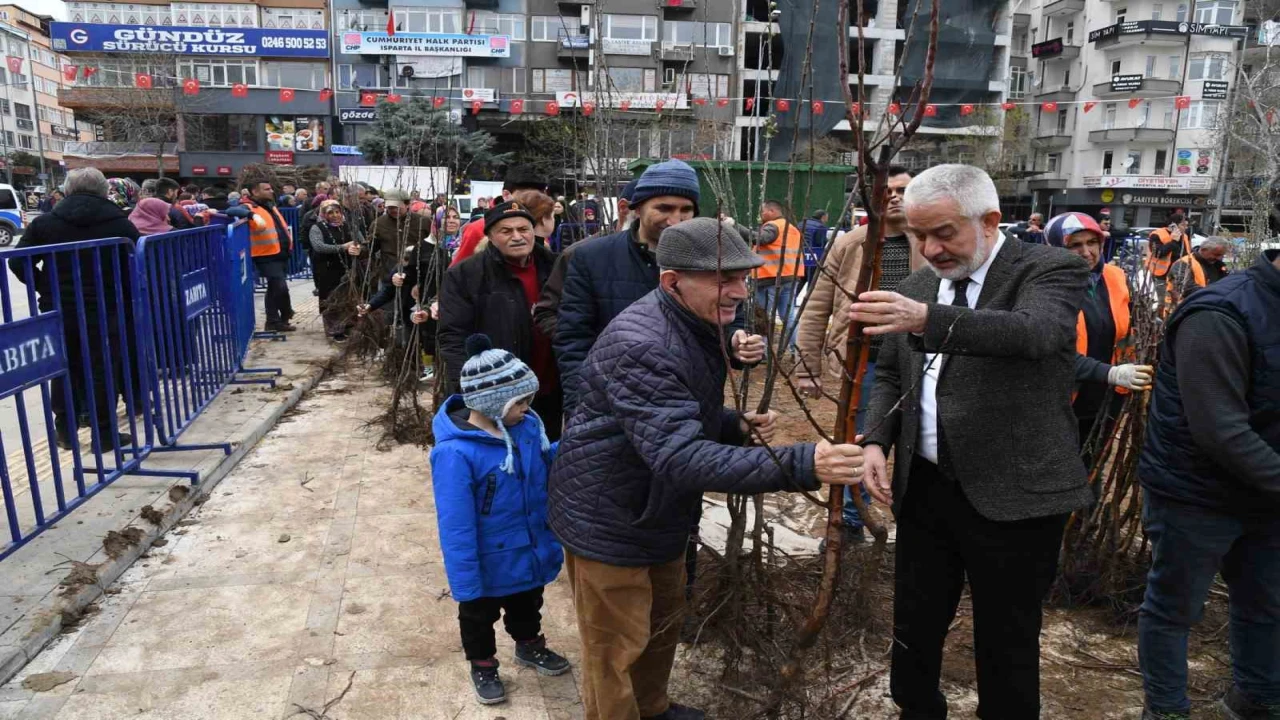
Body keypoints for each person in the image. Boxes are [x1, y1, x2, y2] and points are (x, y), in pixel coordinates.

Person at [548, 216, 867, 720]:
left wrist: (732, 425)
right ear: (673, 281)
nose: (741, 291)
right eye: (725, 279)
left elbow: (666, 413)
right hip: (611, 517)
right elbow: (680, 456)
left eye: (743, 277)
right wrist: (805, 462)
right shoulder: (644, 342)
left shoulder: (692, 325)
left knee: (659, 625)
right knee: (615, 651)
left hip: (654, 510)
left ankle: (652, 708)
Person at [855, 164, 1093, 719]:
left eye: (944, 233)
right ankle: (917, 709)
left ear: (989, 220)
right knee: (914, 625)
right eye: (919, 235)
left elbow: (1035, 333)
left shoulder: (1048, 269)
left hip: (1015, 493)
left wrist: (927, 319)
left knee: (1006, 637)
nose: (930, 248)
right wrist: (875, 441)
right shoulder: (916, 285)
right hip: (928, 487)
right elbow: (889, 372)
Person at [1135, 247, 1280, 720]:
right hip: (1195, 495)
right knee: (1174, 609)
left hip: (1266, 492)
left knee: (1266, 601)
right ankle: (1167, 710)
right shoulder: (1221, 313)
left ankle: (1257, 699)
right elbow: (1221, 430)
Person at [430, 333, 572, 706]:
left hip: (527, 547)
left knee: (528, 602)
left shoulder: (525, 428)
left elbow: (543, 464)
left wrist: (570, 445)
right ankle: (483, 663)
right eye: (520, 401)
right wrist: (464, 579)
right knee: (478, 616)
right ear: (493, 402)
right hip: (486, 560)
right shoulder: (455, 454)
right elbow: (455, 524)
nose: (528, 407)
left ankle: (528, 644)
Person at [555, 159, 759, 413]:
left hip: (692, 402)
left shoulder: (711, 259)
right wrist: (580, 404)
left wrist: (736, 342)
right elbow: (573, 340)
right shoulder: (592, 258)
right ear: (637, 209)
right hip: (611, 404)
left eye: (686, 209)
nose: (676, 220)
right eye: (664, 208)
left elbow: (730, 319)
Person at [795, 166, 922, 546]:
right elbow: (816, 306)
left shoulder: (932, 242)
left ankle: (915, 520)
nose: (895, 197)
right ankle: (851, 519)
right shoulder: (851, 243)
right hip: (863, 366)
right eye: (888, 191)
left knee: (919, 442)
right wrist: (807, 366)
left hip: (919, 362)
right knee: (859, 442)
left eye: (903, 190)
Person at [10, 167, 141, 451]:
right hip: (105, 306)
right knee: (102, 367)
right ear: (104, 191)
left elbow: (18, 262)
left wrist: (48, 285)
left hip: (58, 307)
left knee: (63, 367)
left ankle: (66, 432)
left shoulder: (45, 223)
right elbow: (136, 263)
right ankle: (104, 435)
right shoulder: (120, 223)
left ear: (66, 190)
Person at [438, 200, 563, 438]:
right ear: (491, 237)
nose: (517, 236)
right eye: (506, 231)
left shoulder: (556, 266)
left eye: (523, 229)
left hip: (549, 388)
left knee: (543, 458)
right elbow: (452, 337)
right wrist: (471, 392)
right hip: (496, 395)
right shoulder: (465, 275)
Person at [1044, 212, 1152, 461]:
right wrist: (1109, 373)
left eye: (1092, 243)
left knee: (1092, 466)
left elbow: (1131, 327)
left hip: (1108, 395)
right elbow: (1053, 352)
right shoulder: (1045, 286)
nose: (1086, 252)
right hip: (1062, 399)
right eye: (1074, 245)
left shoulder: (1114, 276)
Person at [227, 180, 295, 332]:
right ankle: (279, 317)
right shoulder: (248, 206)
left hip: (280, 252)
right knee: (279, 285)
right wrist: (251, 215)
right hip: (266, 255)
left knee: (276, 287)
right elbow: (231, 211)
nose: (271, 191)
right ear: (255, 192)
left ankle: (278, 319)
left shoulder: (270, 206)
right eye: (267, 189)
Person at [451, 167, 549, 266]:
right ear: (506, 195)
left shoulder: (540, 225)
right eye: (527, 197)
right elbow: (458, 272)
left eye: (539, 198)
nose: (534, 203)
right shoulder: (478, 228)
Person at [750, 199, 806, 351]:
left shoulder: (772, 226)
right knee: (788, 317)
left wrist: (734, 226)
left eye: (763, 211)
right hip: (791, 277)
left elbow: (760, 239)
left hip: (769, 278)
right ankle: (798, 350)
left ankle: (761, 352)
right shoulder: (792, 228)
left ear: (772, 212)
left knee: (762, 316)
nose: (761, 215)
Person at [309, 200, 364, 341]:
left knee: (350, 296)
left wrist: (358, 248)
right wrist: (342, 247)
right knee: (331, 298)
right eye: (330, 213)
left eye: (337, 212)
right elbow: (319, 246)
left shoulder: (349, 226)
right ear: (323, 214)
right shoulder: (317, 228)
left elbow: (362, 242)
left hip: (349, 267)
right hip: (327, 269)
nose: (335, 215)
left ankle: (350, 326)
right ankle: (335, 330)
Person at [371, 189, 431, 283]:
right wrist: (359, 249)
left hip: (416, 277)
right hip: (389, 276)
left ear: (407, 204)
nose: (393, 210)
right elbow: (370, 248)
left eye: (397, 207)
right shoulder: (379, 224)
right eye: (390, 207)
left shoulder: (423, 222)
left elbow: (432, 246)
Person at [1166, 235, 1231, 307]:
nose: (1219, 258)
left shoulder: (1219, 266)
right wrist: (1214, 294)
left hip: (1208, 307)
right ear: (1203, 249)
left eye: (1222, 255)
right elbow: (1185, 287)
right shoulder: (1184, 263)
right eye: (1216, 254)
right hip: (1185, 309)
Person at [1148, 212, 1192, 305]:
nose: (1186, 228)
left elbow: (1186, 254)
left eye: (1187, 225)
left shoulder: (1184, 236)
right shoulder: (1157, 235)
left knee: (1176, 302)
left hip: (1179, 276)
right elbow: (1158, 253)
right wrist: (1173, 241)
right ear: (1173, 225)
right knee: (1162, 301)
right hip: (1162, 275)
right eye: (1183, 225)